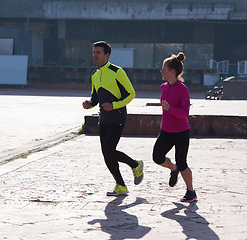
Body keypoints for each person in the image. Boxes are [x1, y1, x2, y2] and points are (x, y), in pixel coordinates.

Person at [82, 41, 143, 196]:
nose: (95, 55)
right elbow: (95, 97)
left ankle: (135, 165)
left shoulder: (117, 71)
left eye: (98, 52)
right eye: (94, 52)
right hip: (104, 119)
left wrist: (115, 105)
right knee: (106, 153)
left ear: (107, 55)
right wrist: (89, 104)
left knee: (109, 150)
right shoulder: (94, 75)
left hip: (118, 117)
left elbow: (131, 93)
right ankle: (121, 185)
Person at [152, 52, 197, 202]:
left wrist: (170, 108)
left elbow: (185, 113)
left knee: (182, 162)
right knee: (157, 157)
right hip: (166, 130)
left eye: (163, 69)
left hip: (181, 132)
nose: (161, 71)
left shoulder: (183, 89)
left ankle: (191, 192)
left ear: (172, 71)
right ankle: (173, 168)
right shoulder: (163, 87)